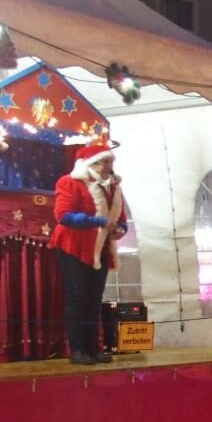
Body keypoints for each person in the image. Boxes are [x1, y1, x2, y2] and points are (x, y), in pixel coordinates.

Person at [49, 142, 128, 365]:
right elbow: (63, 216)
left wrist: (121, 230)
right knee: (78, 297)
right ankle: (77, 350)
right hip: (74, 247)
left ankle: (94, 348)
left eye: (110, 162)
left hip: (99, 248)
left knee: (94, 299)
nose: (108, 166)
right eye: (104, 162)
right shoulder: (70, 182)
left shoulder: (113, 188)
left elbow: (120, 219)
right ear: (91, 163)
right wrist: (99, 222)